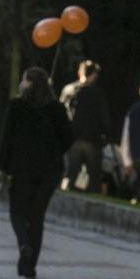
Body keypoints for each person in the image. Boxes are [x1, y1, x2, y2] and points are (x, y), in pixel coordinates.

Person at [0, 67, 73, 279]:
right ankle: (29, 267)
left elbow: (6, 138)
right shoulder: (56, 109)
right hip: (49, 171)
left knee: (17, 212)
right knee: (37, 216)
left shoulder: (17, 106)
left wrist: (1, 166)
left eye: (24, 80)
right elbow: (68, 138)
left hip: (21, 169)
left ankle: (23, 243)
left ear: (28, 84)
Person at [59, 60, 111, 193]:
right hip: (92, 140)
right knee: (94, 178)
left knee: (70, 174)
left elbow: (60, 114)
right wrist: (106, 135)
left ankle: (65, 199)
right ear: (93, 75)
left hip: (72, 139)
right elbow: (103, 118)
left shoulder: (69, 90)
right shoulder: (97, 94)